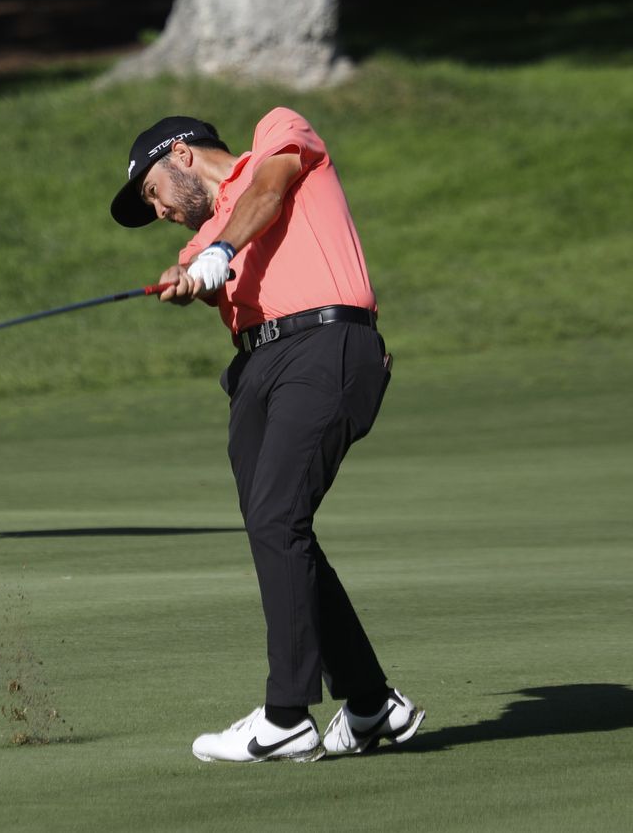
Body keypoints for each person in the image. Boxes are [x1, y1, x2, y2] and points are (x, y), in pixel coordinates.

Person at [109, 108, 423, 762]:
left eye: (153, 193)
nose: (161, 211)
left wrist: (218, 250)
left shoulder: (279, 138)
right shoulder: (202, 239)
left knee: (279, 516)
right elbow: (197, 269)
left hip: (326, 344)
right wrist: (183, 277)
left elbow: (268, 192)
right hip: (256, 371)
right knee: (276, 526)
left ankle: (287, 716)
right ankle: (369, 704)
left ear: (184, 157)